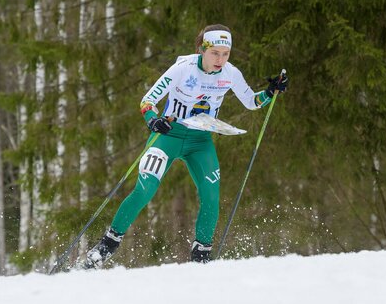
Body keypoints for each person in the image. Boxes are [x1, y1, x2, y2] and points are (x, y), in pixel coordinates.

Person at [84, 24, 288, 268]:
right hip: (169, 136)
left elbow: (252, 102)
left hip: (200, 140)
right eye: (215, 53)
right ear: (203, 49)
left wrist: (270, 92)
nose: (220, 59)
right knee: (145, 189)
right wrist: (153, 120)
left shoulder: (230, 73)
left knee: (211, 196)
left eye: (225, 54)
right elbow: (148, 100)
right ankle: (106, 246)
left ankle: (201, 257)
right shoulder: (182, 69)